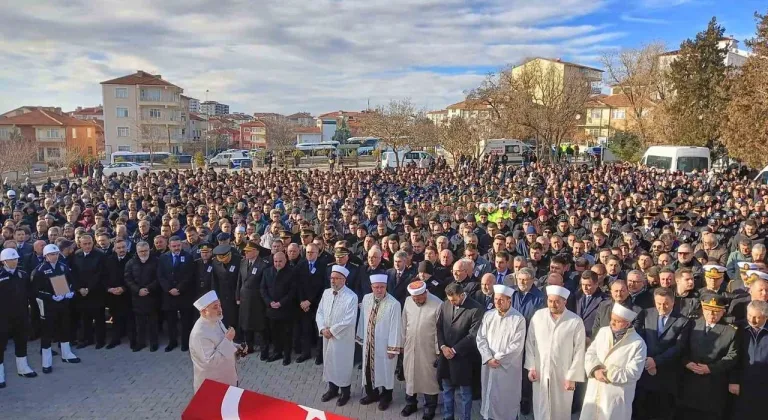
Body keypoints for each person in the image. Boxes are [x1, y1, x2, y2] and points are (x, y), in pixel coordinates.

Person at [525, 285, 586, 420]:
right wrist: (531, 367)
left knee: (560, 410)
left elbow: (579, 351)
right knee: (541, 408)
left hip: (563, 375)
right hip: (540, 371)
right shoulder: (538, 316)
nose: (553, 304)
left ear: (565, 301)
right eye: (550, 301)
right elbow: (530, 343)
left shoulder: (575, 321)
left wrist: (572, 377)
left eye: (557, 301)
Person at [676, 296, 739, 420]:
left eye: (716, 311)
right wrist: (686, 362)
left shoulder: (731, 331)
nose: (711, 314)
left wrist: (710, 368)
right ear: (703, 309)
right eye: (708, 310)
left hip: (713, 383)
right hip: (689, 380)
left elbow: (732, 356)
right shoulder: (692, 324)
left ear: (723, 312)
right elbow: (681, 347)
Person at [581, 304, 647, 420]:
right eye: (612, 319)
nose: (612, 323)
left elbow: (634, 373)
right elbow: (590, 353)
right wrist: (595, 370)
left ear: (628, 324)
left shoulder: (637, 343)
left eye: (617, 321)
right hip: (595, 388)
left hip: (616, 396)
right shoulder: (603, 332)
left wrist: (607, 374)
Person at [634, 287, 691, 420]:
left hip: (666, 375)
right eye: (658, 303)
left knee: (663, 411)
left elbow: (678, 347)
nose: (662, 307)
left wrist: (656, 361)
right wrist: (647, 360)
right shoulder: (646, 314)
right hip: (644, 371)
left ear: (673, 302)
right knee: (642, 410)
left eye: (665, 303)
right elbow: (638, 338)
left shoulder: (683, 321)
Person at [476, 284, 526, 420]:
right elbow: (481, 338)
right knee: (489, 396)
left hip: (507, 369)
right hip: (489, 364)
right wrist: (488, 357)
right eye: (495, 299)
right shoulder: (488, 315)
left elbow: (516, 345)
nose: (497, 302)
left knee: (506, 401)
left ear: (509, 300)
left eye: (501, 300)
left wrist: (497, 358)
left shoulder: (518, 319)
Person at [436, 282, 483, 420]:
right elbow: (439, 327)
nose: (452, 303)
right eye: (449, 300)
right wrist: (443, 347)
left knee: (464, 394)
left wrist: (455, 350)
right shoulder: (445, 305)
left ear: (462, 295)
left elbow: (473, 335)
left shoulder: (476, 308)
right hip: (446, 357)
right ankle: (448, 416)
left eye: (454, 300)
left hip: (464, 359)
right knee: (447, 390)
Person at [356, 273, 402, 411]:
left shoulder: (394, 304)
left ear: (386, 286)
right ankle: (372, 394)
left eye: (382, 287)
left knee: (386, 371)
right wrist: (361, 337)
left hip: (385, 345)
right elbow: (363, 318)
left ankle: (386, 397)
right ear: (371, 287)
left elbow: (396, 326)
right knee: (368, 370)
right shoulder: (366, 298)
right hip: (369, 343)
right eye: (376, 287)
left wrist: (393, 348)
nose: (379, 290)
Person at [31, 244, 80, 373]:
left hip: (63, 303)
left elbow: (71, 281)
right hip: (48, 306)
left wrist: (71, 291)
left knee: (65, 327)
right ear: (46, 256)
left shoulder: (63, 267)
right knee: (47, 332)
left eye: (57, 254)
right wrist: (50, 297)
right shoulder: (40, 270)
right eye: (52, 254)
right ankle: (46, 362)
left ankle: (66, 353)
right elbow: (35, 291)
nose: (55, 256)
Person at [317, 265, 358, 407]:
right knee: (329, 362)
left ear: (344, 280)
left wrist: (332, 331)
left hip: (342, 338)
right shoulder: (326, 293)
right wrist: (322, 329)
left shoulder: (351, 297)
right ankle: (332, 389)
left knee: (342, 364)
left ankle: (345, 392)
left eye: (336, 278)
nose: (333, 281)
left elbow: (349, 320)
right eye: (331, 278)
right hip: (327, 336)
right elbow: (320, 312)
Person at [400, 281, 442, 419]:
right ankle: (410, 404)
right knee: (410, 375)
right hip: (410, 347)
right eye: (414, 298)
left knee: (428, 379)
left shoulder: (437, 304)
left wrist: (438, 351)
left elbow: (439, 331)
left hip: (428, 349)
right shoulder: (408, 301)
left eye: (419, 298)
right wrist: (401, 344)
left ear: (425, 293)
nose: (416, 300)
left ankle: (430, 408)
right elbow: (403, 323)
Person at [0, 248, 37, 387]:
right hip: (3, 316)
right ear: (3, 261)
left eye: (15, 259)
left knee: (21, 341)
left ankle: (22, 367)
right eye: (11, 259)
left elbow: (30, 293)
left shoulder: (22, 275)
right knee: (1, 344)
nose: (14, 261)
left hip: (20, 314)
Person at [189, 290, 239, 392]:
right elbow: (211, 362)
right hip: (213, 385)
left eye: (220, 305)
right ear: (204, 311)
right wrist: (228, 339)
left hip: (228, 379)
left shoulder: (216, 320)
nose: (220, 309)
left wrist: (237, 348)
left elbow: (223, 345)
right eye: (215, 307)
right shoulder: (199, 333)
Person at [729, 300, 768, 420]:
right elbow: (733, 356)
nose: (752, 320)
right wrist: (733, 380)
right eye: (749, 315)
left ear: (766, 316)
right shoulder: (738, 328)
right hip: (742, 383)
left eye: (757, 317)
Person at [157, 236, 195, 352]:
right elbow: (160, 275)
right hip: (169, 295)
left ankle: (185, 343)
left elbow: (189, 276)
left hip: (184, 294)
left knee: (186, 322)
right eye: (174, 246)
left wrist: (179, 288)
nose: (176, 248)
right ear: (169, 246)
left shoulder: (188, 257)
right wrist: (169, 289)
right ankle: (172, 342)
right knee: (171, 321)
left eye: (178, 245)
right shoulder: (163, 258)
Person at [70, 233, 107, 349]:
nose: (87, 246)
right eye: (85, 244)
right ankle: (87, 339)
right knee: (85, 318)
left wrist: (88, 288)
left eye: (89, 243)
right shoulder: (76, 255)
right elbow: (73, 274)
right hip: (81, 293)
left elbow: (100, 274)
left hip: (96, 291)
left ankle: (100, 340)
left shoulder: (100, 255)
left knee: (99, 318)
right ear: (80, 244)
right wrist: (79, 288)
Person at [260, 251, 296, 365]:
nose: (278, 263)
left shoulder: (291, 273)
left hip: (285, 309)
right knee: (274, 333)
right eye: (275, 261)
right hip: (271, 309)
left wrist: (281, 303)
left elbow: (292, 291)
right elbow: (263, 289)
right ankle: (277, 352)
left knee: (286, 334)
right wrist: (269, 302)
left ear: (285, 261)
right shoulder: (267, 272)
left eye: (280, 261)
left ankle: (287, 355)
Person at [124, 241, 160, 352]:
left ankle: (154, 343)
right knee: (139, 323)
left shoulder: (156, 261)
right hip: (137, 297)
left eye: (145, 251)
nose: (143, 253)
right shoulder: (131, 263)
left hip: (152, 296)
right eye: (141, 251)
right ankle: (141, 343)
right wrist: (137, 290)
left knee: (153, 323)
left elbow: (159, 277)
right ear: (137, 251)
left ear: (149, 250)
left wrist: (148, 289)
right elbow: (127, 279)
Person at [295, 243, 326, 364]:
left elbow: (322, 286)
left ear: (317, 253)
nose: (309, 254)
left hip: (317, 303)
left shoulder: (323, 266)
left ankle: (320, 355)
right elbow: (297, 285)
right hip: (304, 305)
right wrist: (302, 301)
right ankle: (305, 353)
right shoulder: (301, 265)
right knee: (305, 330)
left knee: (319, 330)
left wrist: (310, 301)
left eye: (312, 252)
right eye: (307, 252)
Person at [236, 241, 267, 358]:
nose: (246, 252)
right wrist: (237, 296)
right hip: (244, 298)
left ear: (256, 252)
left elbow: (264, 284)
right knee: (245, 324)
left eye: (249, 251)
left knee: (259, 325)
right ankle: (249, 346)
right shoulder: (243, 262)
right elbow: (239, 281)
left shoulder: (263, 264)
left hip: (257, 300)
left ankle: (264, 350)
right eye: (245, 251)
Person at [104, 239, 134, 349]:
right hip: (113, 295)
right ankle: (115, 339)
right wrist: (109, 289)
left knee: (130, 319)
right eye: (119, 248)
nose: (121, 250)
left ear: (127, 248)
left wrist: (124, 288)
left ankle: (133, 341)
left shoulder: (132, 259)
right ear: (115, 249)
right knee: (115, 318)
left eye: (123, 247)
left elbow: (134, 277)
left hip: (128, 294)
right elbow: (104, 277)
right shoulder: (109, 260)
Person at [211, 244, 242, 333]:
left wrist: (238, 296)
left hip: (234, 294)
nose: (224, 261)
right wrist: (215, 297)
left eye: (226, 259)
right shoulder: (215, 262)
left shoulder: (238, 260)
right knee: (223, 318)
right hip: (222, 294)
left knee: (235, 317)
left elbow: (240, 280)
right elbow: (214, 281)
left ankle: (236, 336)